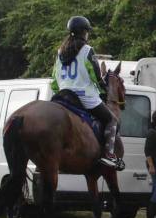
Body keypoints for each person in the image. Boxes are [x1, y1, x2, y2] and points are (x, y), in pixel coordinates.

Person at [51, 16, 120, 169]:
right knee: (112, 120)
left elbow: (54, 80)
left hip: (62, 95)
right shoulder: (87, 50)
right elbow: (95, 75)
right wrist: (103, 88)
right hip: (84, 97)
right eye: (87, 31)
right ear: (84, 32)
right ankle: (109, 155)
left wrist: (59, 91)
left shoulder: (59, 52)